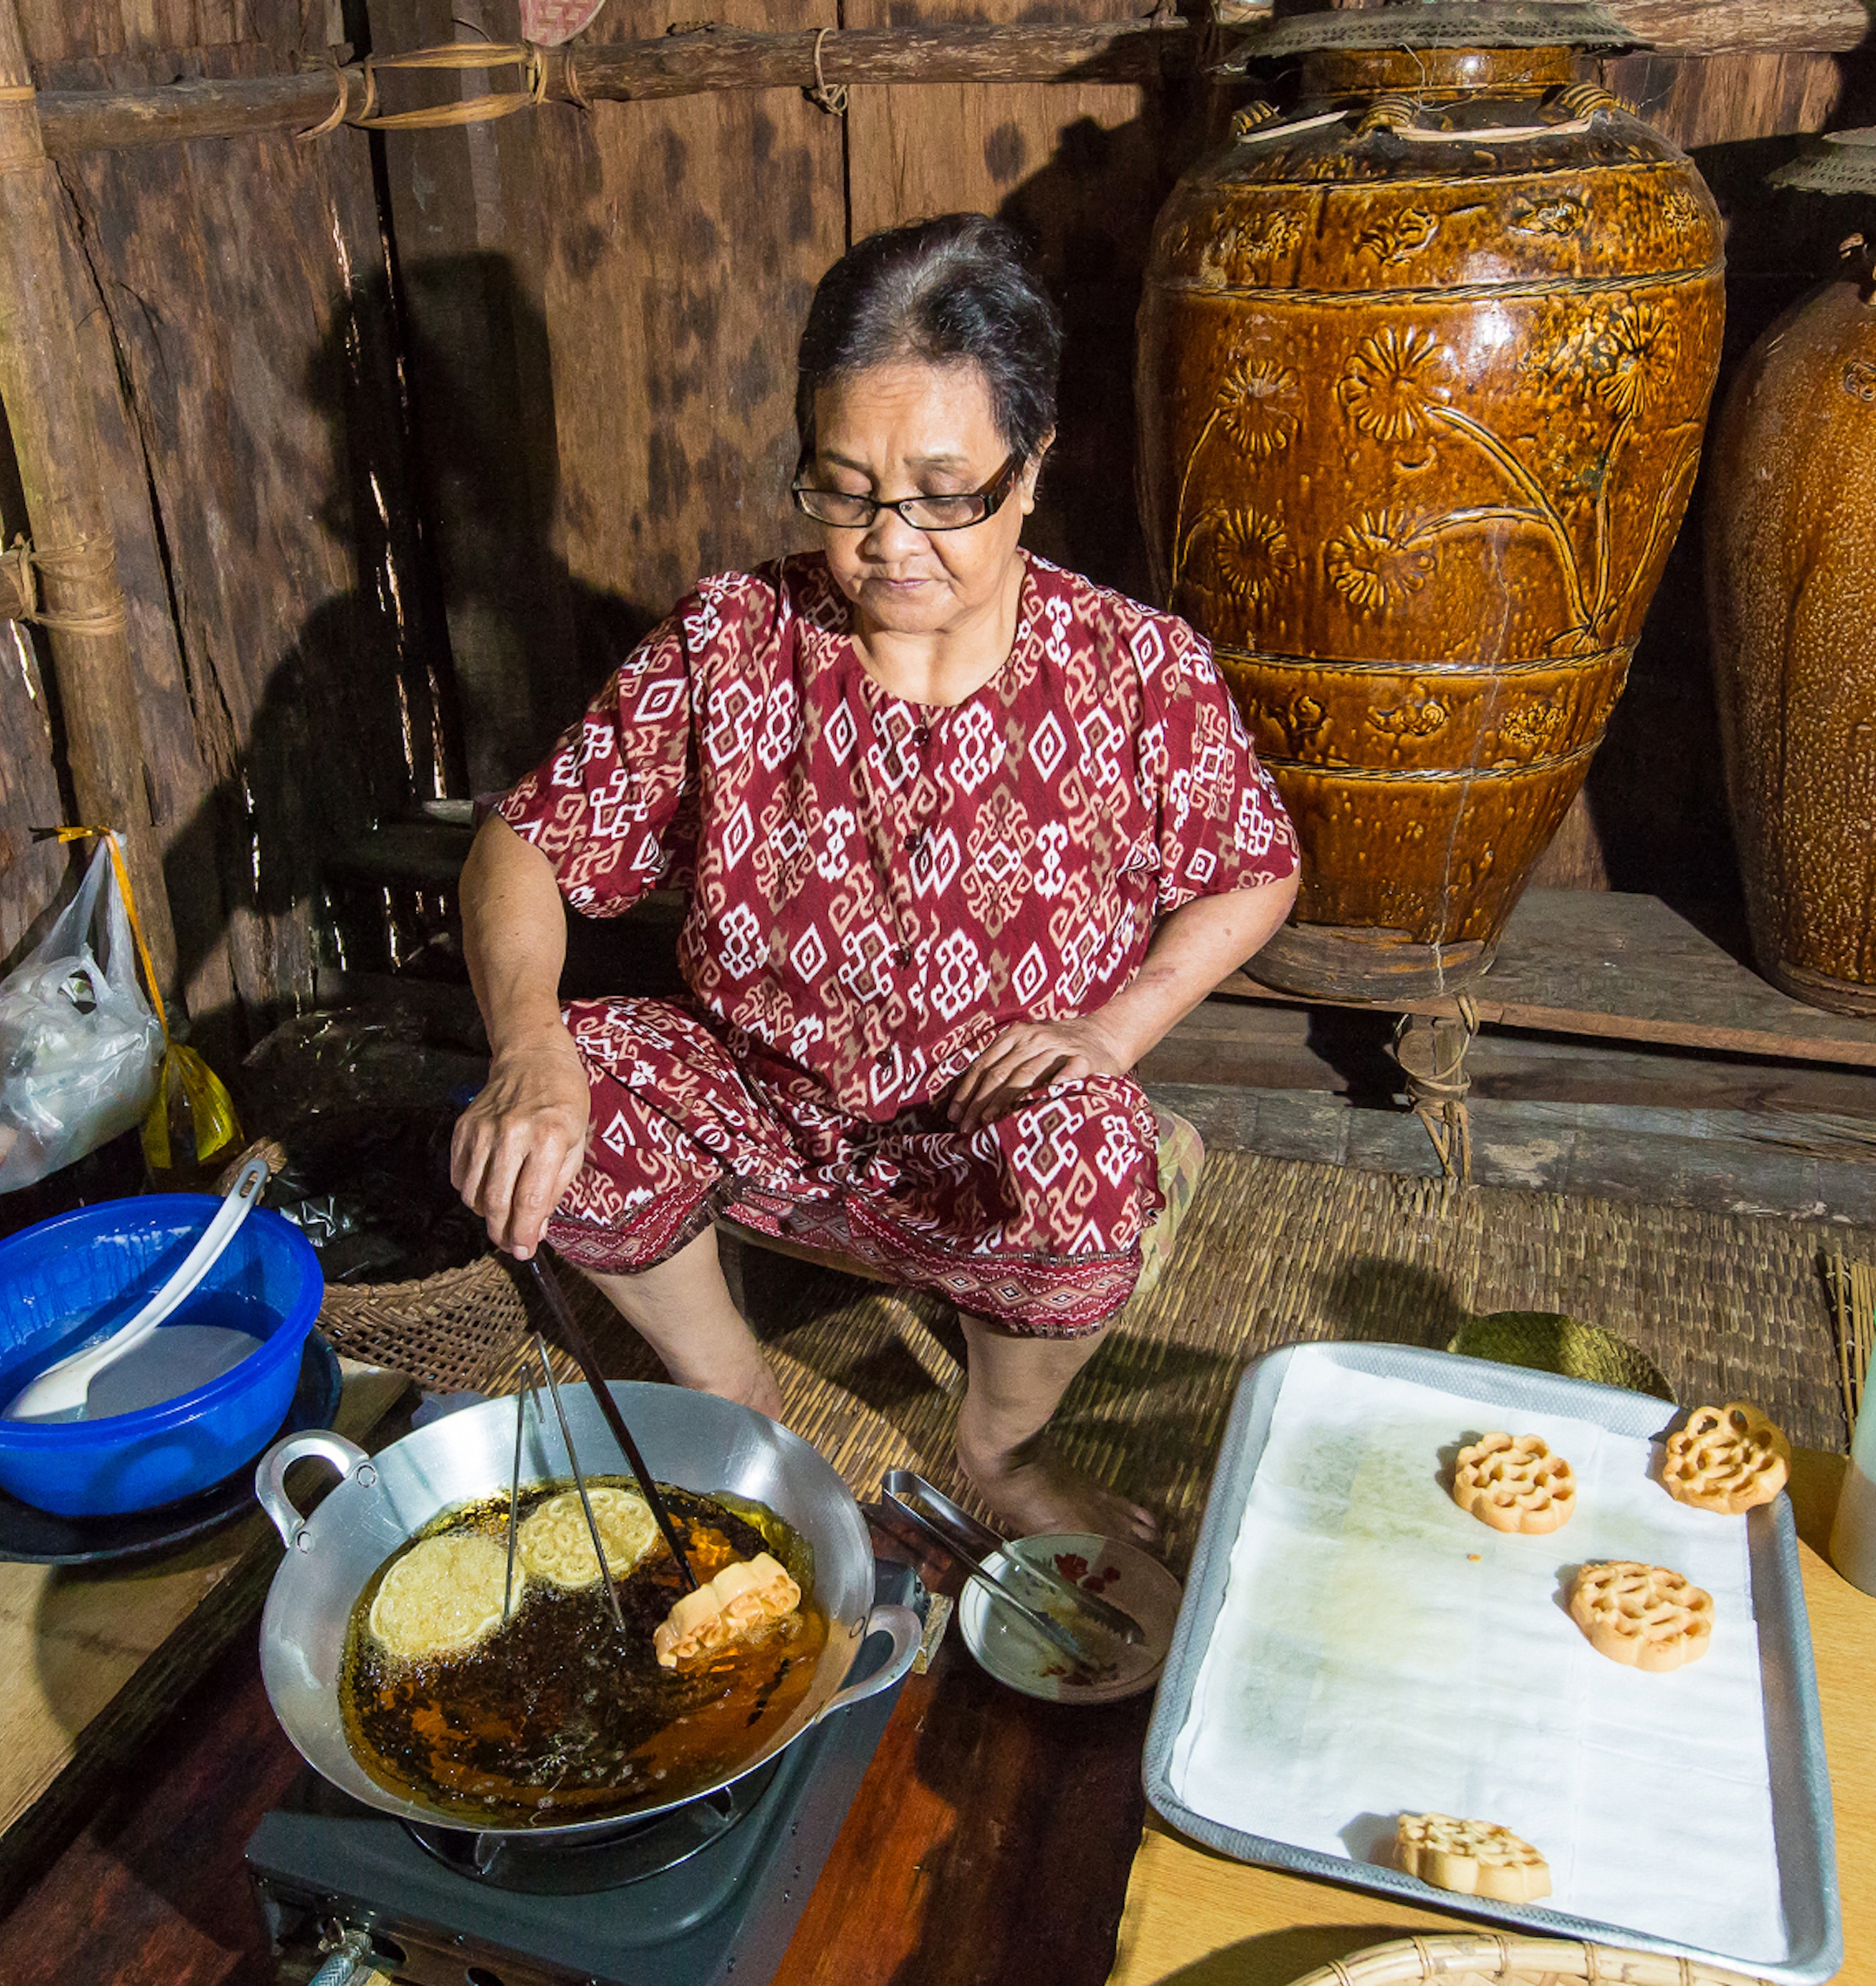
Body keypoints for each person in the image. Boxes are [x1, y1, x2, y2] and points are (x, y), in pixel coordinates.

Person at [450, 213, 1300, 1540]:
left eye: (945, 493)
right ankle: (728, 1386)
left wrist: (1112, 1030)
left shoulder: (1138, 669)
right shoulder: (735, 638)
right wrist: (524, 1045)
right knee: (582, 1074)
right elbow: (523, 841)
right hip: (759, 1107)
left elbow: (1254, 866)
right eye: (844, 490)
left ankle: (1001, 1454)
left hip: (977, 1134)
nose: (891, 539)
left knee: (1084, 1147)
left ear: (1033, 470)